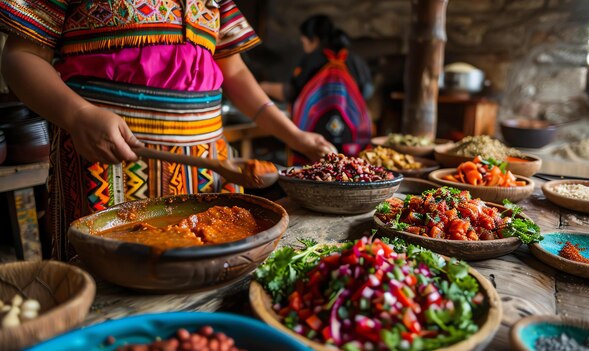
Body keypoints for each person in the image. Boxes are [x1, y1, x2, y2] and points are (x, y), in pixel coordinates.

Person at [0, 1, 335, 261]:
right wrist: (78, 114)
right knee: (110, 294)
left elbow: (233, 70)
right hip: (108, 167)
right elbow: (21, 56)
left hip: (209, 172)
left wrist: (295, 136)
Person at [261, 14, 373, 164]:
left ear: (314, 39)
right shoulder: (354, 60)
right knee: (351, 172)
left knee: (318, 173)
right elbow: (367, 91)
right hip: (351, 138)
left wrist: (262, 87)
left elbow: (290, 92)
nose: (304, 47)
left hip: (315, 137)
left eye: (304, 42)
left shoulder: (312, 59)